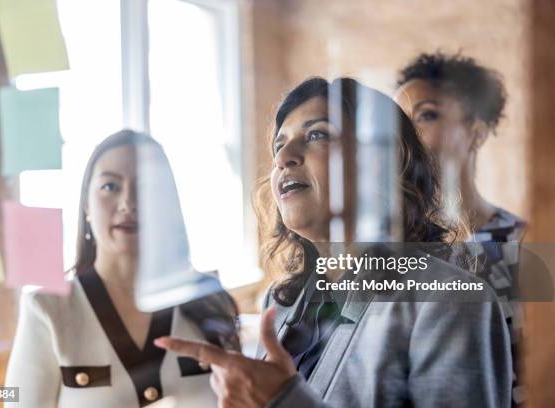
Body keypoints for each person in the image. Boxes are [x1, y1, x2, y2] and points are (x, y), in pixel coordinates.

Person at [155, 77, 512, 407]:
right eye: (279, 146)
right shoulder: (280, 303)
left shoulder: (450, 302)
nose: (282, 158)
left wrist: (283, 400)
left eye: (317, 135)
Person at [5, 130, 239, 407]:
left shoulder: (209, 298)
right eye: (110, 186)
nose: (128, 203)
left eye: (147, 187)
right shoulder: (48, 309)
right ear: (86, 206)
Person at [395, 52, 526, 405]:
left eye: (426, 115)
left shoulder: (523, 244)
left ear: (476, 133)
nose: (407, 133)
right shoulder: (390, 249)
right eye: (399, 120)